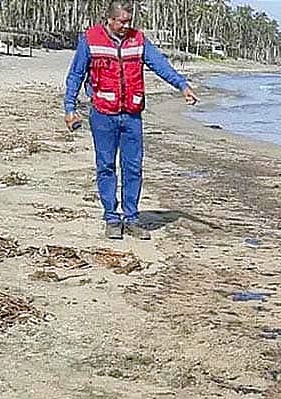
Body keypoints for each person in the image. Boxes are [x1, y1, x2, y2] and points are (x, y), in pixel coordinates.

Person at [63, 0, 198, 240]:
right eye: (122, 21)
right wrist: (69, 107)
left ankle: (132, 217)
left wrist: (182, 85)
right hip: (103, 114)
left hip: (132, 115)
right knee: (106, 165)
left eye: (129, 21)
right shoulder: (90, 39)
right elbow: (75, 75)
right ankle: (111, 217)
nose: (126, 26)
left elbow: (160, 65)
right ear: (110, 20)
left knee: (133, 167)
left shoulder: (139, 40)